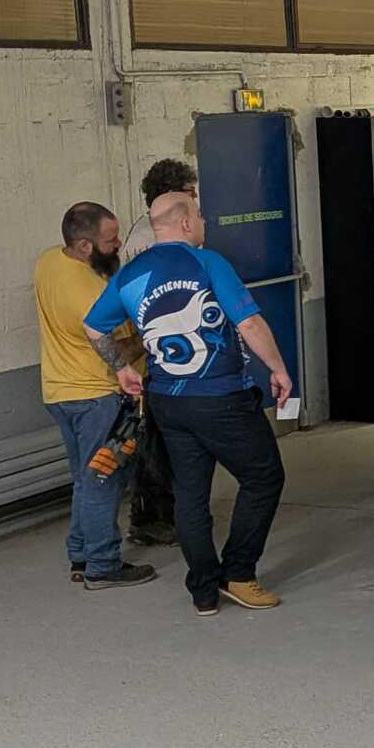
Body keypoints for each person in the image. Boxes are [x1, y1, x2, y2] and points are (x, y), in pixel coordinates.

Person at [84, 191, 294, 616]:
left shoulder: (130, 274)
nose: (203, 220)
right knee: (264, 477)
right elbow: (249, 323)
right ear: (184, 223)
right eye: (198, 214)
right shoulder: (208, 263)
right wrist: (278, 368)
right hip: (220, 398)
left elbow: (93, 327)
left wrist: (121, 369)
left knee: (190, 494)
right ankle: (238, 574)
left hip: (167, 401)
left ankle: (203, 591)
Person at [33, 202, 155, 591]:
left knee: (85, 479)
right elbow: (118, 350)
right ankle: (103, 565)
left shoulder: (49, 261)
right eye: (111, 240)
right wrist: (152, 335)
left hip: (59, 392)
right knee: (104, 479)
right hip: (96, 399)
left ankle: (81, 555)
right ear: (85, 246)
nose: (118, 245)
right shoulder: (92, 295)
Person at [121, 158, 196, 546]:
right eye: (191, 192)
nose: (196, 200)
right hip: (164, 354)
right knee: (161, 443)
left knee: (161, 441)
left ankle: (160, 515)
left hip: (161, 351)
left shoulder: (143, 229)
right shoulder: (156, 239)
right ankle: (154, 519)